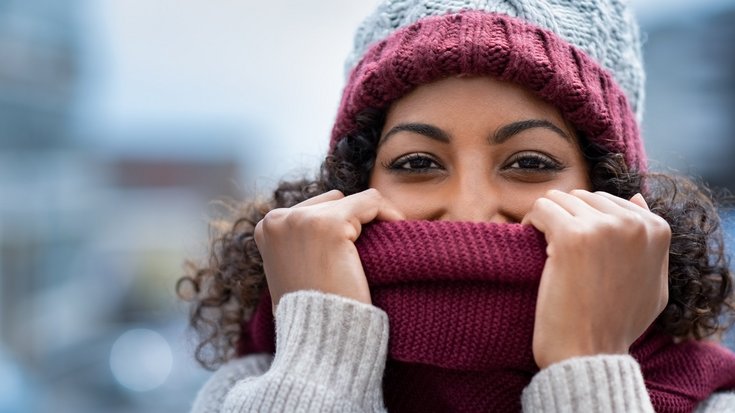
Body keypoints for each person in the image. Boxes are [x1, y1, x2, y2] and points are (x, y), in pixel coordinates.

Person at [178, 1, 735, 412]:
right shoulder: (250, 387)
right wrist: (320, 359)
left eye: (530, 163)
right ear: (352, 185)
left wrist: (586, 364)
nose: (469, 210)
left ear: (608, 193)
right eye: (418, 163)